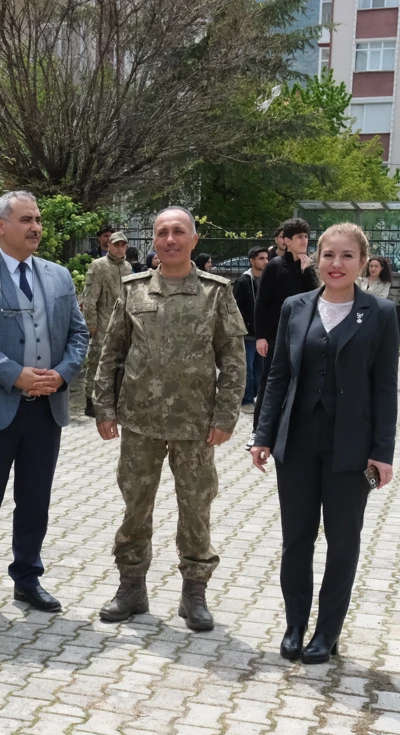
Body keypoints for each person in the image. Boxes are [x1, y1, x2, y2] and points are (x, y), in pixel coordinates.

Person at [251, 223, 399, 664]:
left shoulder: (380, 313)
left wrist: (383, 452)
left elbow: (385, 387)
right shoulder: (295, 307)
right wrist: (263, 435)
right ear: (316, 259)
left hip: (351, 448)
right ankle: (295, 625)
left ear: (362, 262)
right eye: (329, 255)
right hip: (296, 443)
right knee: (296, 538)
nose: (337, 264)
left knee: (342, 540)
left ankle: (327, 632)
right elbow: (278, 375)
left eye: (347, 256)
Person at [94, 208, 246, 631]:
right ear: (154, 241)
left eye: (179, 232)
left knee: (196, 508)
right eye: (162, 232)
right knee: (135, 507)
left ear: (194, 240)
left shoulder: (216, 292)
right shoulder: (133, 289)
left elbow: (233, 360)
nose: (170, 239)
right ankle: (131, 587)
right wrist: (104, 408)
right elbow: (111, 353)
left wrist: (226, 416)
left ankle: (194, 593)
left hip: (196, 425)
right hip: (139, 422)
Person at [0, 191, 90, 621]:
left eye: (38, 220)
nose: (35, 227)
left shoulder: (59, 276)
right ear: (0, 227)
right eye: (26, 219)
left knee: (35, 501)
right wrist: (14, 374)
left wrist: (62, 374)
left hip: (45, 409)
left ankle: (28, 579)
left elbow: (79, 334)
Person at [250, 217, 317, 446]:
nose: (304, 241)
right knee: (269, 382)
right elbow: (261, 303)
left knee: (300, 381)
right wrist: (260, 336)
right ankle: (258, 431)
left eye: (306, 237)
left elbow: (314, 298)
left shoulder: (308, 266)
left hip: (302, 334)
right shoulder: (274, 266)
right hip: (274, 335)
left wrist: (307, 271)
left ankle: (293, 430)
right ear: (286, 241)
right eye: (299, 237)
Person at [79, 230, 132, 417]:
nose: (119, 248)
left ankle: (113, 399)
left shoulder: (127, 267)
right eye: (116, 245)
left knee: (119, 363)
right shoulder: (99, 266)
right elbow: (89, 299)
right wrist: (91, 324)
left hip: (121, 324)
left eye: (123, 245)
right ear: (109, 245)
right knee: (96, 362)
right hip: (102, 323)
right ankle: (90, 401)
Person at [232, 246, 269, 412]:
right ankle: (246, 400)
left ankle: (254, 397)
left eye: (267, 258)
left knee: (260, 369)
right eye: (261, 258)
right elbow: (236, 307)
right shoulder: (244, 281)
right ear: (252, 261)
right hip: (247, 334)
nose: (265, 261)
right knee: (248, 369)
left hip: (262, 333)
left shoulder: (267, 279)